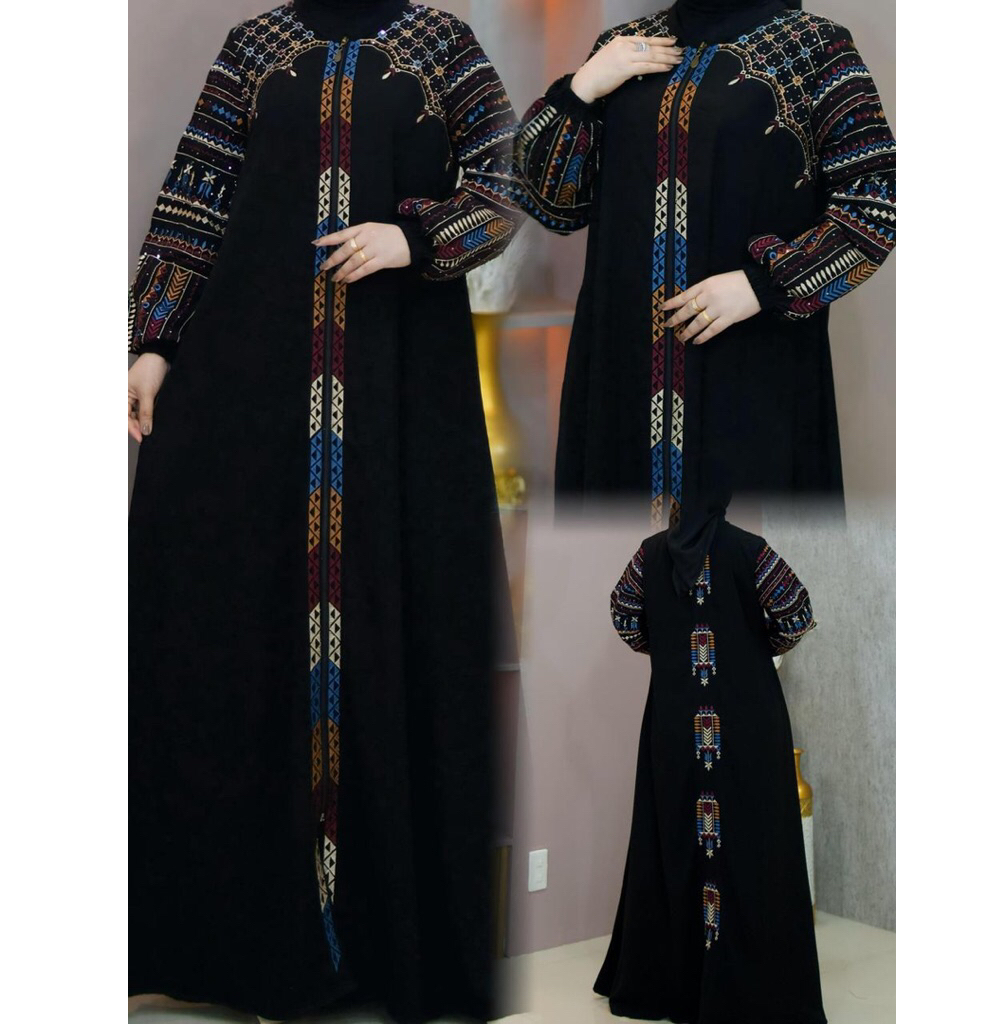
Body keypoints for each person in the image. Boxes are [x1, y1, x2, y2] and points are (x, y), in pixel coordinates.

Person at [127, 3, 520, 1022]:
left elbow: (510, 181)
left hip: (404, 400)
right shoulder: (257, 47)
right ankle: (259, 947)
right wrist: (154, 342)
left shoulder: (441, 44)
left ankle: (382, 944)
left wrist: (410, 237)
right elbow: (195, 199)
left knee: (393, 627)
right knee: (250, 640)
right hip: (252, 396)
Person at [514, 0, 896, 524]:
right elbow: (552, 204)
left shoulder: (815, 48)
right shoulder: (626, 44)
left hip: (750, 362)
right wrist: (580, 90)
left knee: (744, 551)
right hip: (623, 365)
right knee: (620, 550)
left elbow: (875, 205)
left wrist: (763, 285)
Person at [598, 460, 824, 1021]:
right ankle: (746, 979)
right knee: (753, 842)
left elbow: (624, 617)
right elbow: (796, 615)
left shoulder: (651, 555)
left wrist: (669, 650)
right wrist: (753, 648)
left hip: (675, 724)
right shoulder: (749, 550)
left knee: (677, 838)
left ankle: (678, 982)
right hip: (747, 726)